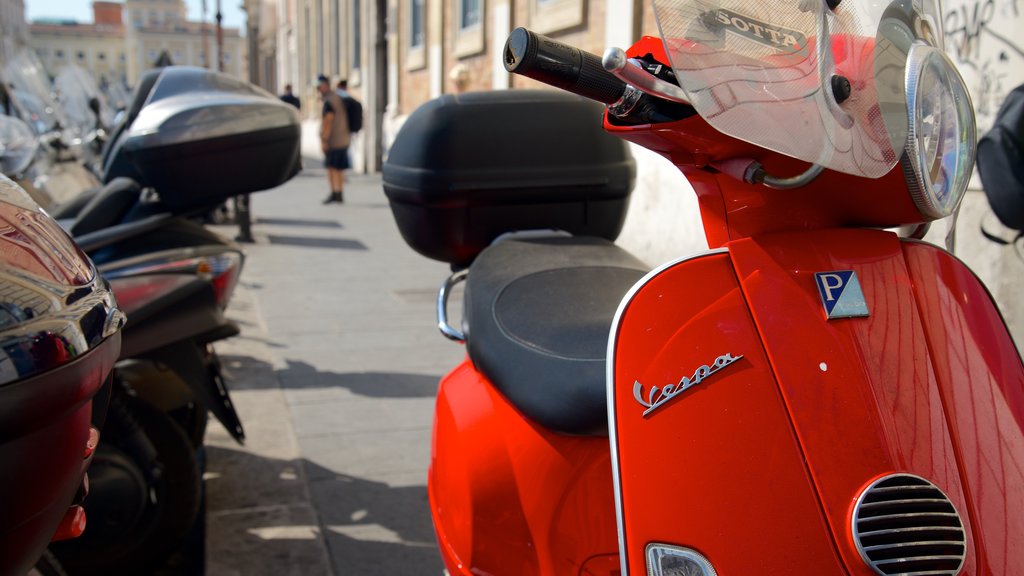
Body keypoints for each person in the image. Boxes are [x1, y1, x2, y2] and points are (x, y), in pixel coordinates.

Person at [317, 74, 351, 204]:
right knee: (339, 168)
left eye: (319, 86)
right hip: (343, 138)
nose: (318, 89)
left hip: (334, 140)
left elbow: (328, 121)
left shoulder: (329, 101)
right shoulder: (338, 97)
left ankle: (334, 193)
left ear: (325, 85)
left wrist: (324, 140)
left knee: (331, 167)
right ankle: (339, 193)